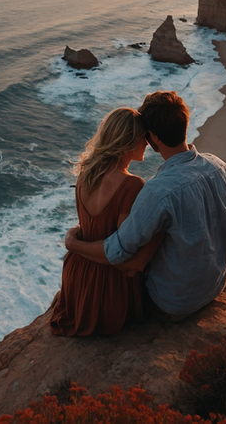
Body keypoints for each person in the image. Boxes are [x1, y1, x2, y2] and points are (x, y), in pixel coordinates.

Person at [65, 91, 226, 322]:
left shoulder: (158, 192)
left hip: (174, 303)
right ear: (184, 123)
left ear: (153, 137)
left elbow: (118, 251)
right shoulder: (220, 166)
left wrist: (73, 243)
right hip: (217, 284)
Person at [50, 107, 162, 336]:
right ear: (128, 142)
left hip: (76, 272)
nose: (148, 144)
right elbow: (126, 247)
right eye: (144, 138)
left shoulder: (85, 174)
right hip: (107, 282)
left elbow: (91, 225)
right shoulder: (132, 185)